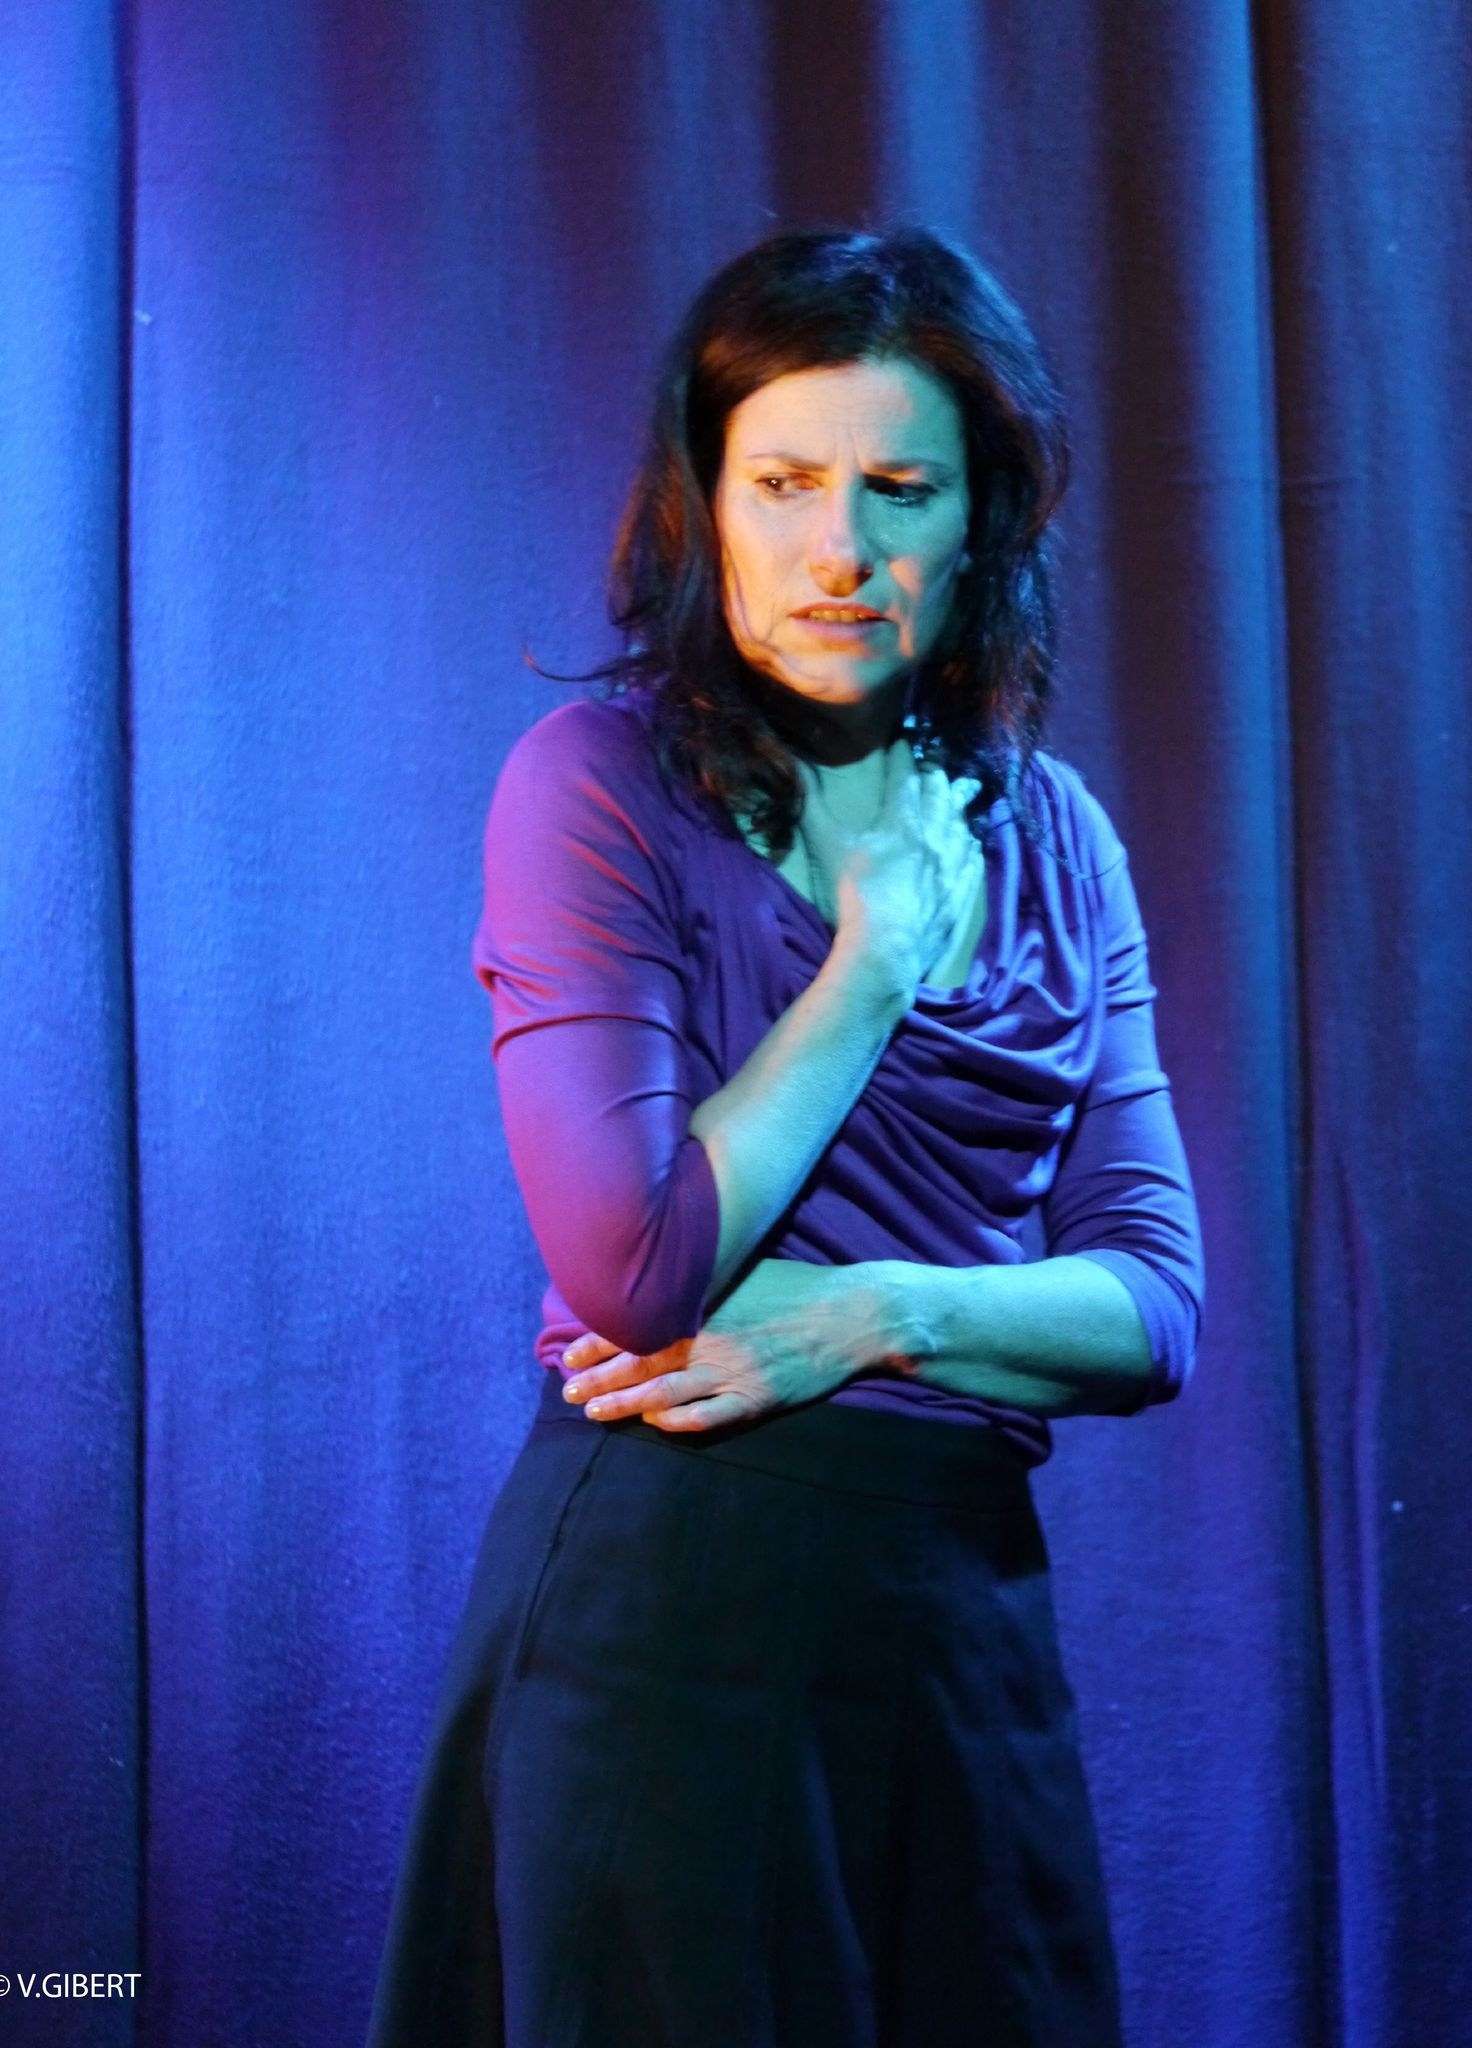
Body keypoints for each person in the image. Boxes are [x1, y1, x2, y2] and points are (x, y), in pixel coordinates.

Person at [365, 224, 1204, 2048]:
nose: (840, 550)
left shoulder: (1058, 838)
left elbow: (1156, 1308)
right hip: (677, 1604)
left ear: (980, 522)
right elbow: (637, 1261)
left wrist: (876, 1312)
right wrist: (874, 966)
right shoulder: (597, 786)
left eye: (900, 491)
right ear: (706, 507)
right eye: (785, 484)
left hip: (963, 1621)